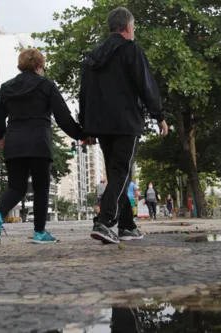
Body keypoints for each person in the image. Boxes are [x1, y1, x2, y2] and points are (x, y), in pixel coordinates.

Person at [79, 7, 168, 244]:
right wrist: (158, 115)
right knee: (122, 173)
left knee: (118, 173)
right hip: (126, 121)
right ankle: (105, 222)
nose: (134, 31)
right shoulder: (131, 50)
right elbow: (145, 84)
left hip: (100, 124)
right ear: (128, 27)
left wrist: (85, 128)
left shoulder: (93, 57)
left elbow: (84, 93)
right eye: (134, 27)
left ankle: (126, 225)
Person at [0, 48, 85, 245]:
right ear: (40, 66)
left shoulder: (7, 87)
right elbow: (63, 117)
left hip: (14, 143)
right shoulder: (47, 85)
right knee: (41, 188)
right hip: (39, 143)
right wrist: (82, 135)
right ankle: (39, 232)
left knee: (16, 187)